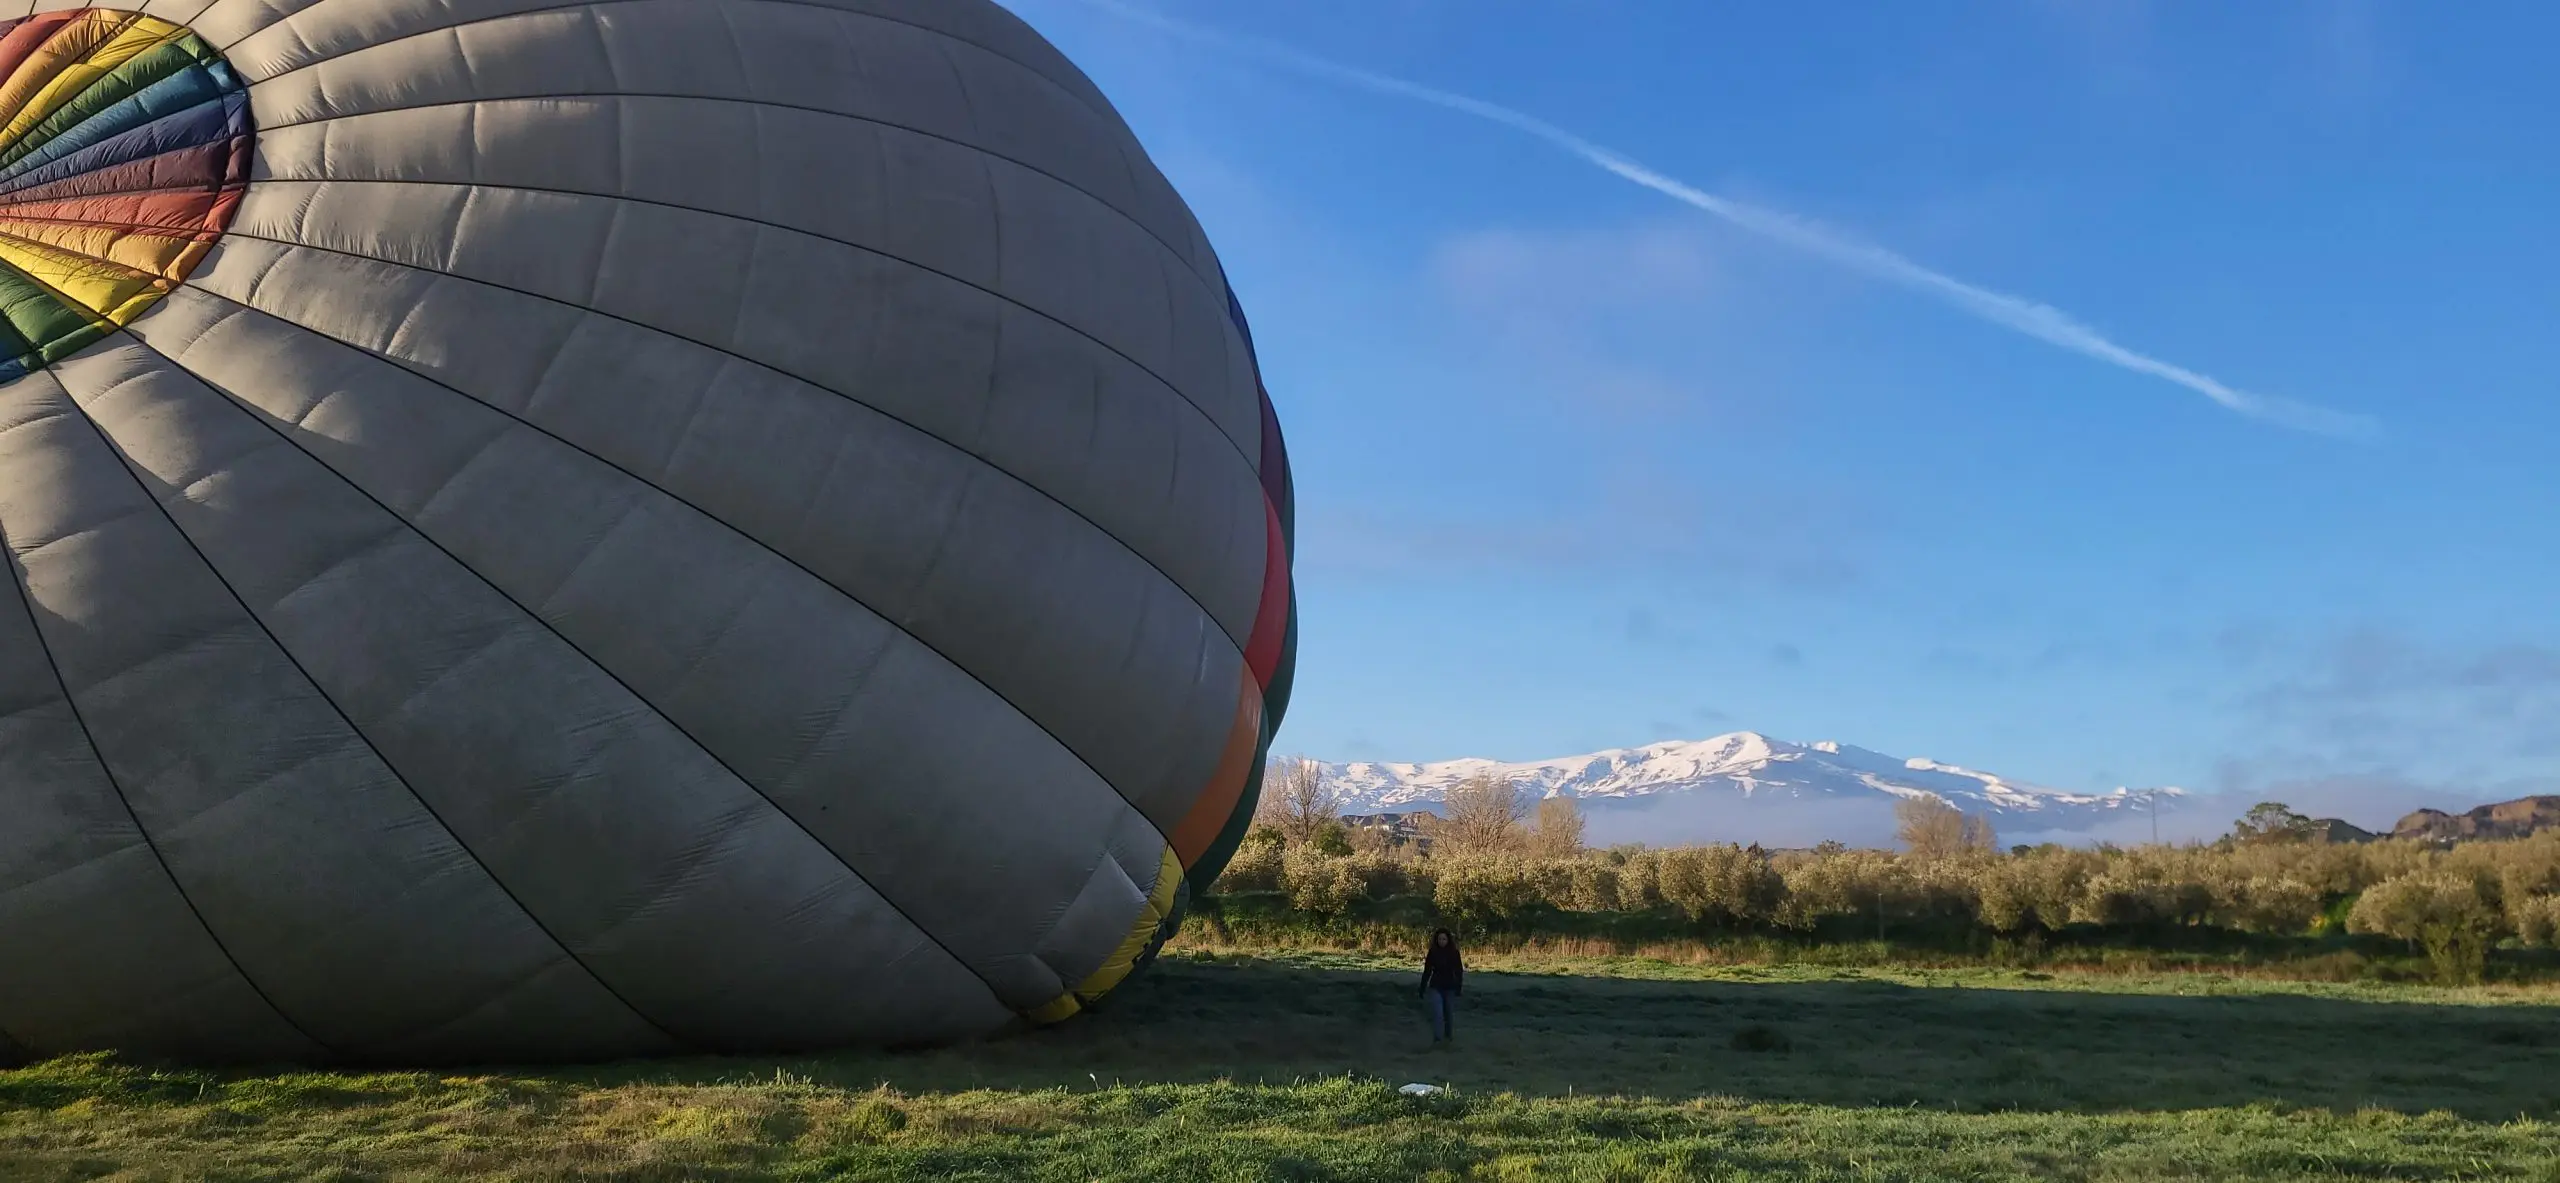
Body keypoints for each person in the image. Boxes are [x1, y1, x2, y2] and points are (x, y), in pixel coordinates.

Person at [1418, 928, 1463, 1045]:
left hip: (1450, 986)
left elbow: (1459, 971)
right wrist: (1422, 987)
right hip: (1436, 986)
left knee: (1448, 1013)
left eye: (1444, 939)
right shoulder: (1433, 952)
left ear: (1448, 940)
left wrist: (1459, 987)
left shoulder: (1454, 953)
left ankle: (1448, 1037)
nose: (1442, 941)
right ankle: (1437, 1038)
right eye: (1439, 939)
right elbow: (1427, 970)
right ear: (1436, 940)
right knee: (1438, 1013)